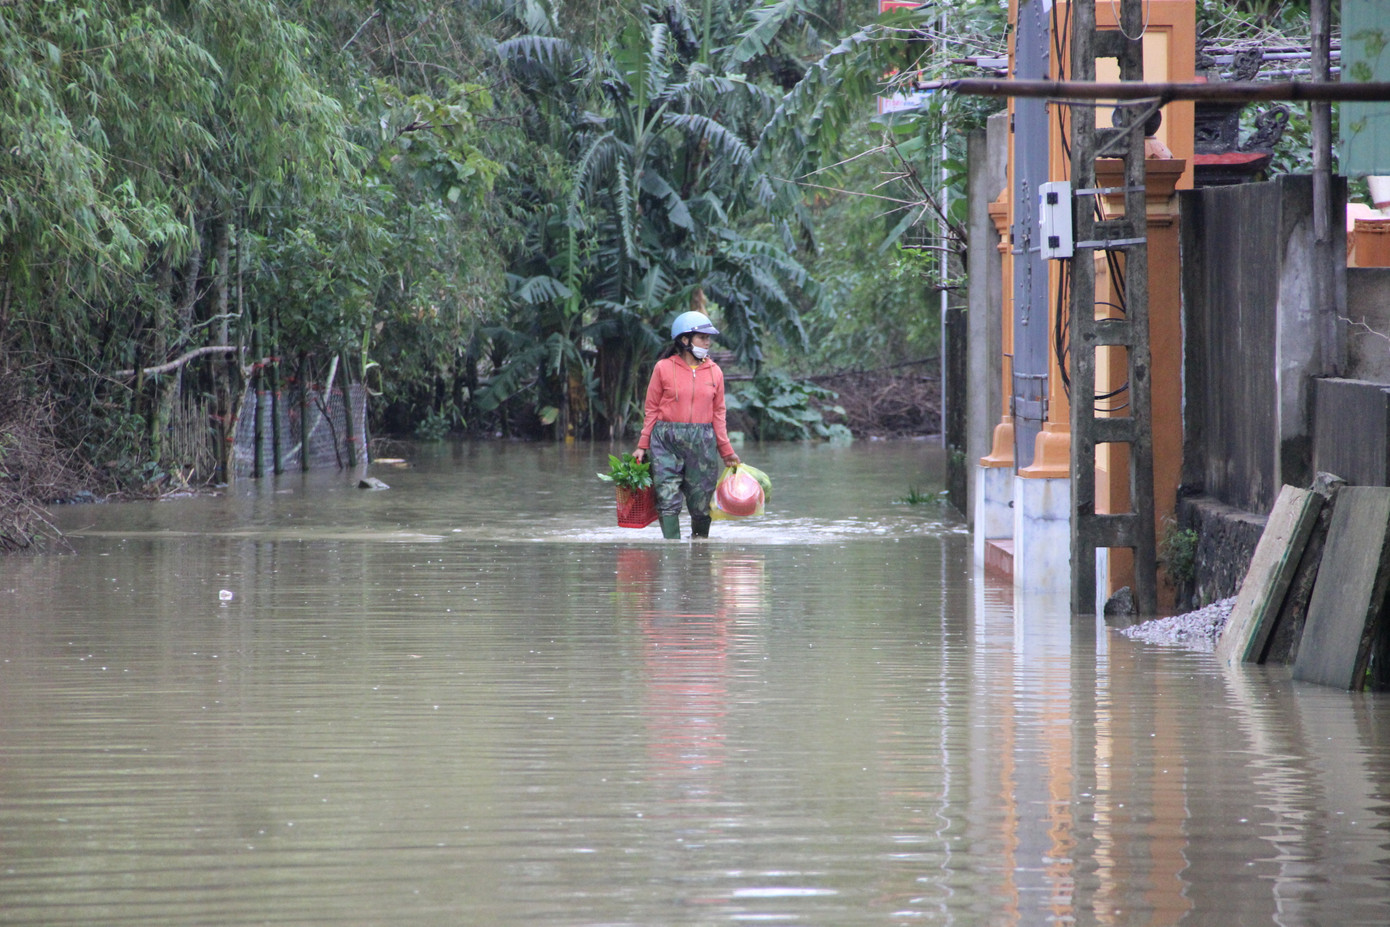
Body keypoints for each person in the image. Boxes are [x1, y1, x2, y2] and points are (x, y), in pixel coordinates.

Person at [634, 297, 740, 539]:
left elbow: (719, 414)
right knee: (667, 498)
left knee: (701, 505)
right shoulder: (662, 368)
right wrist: (642, 445)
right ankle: (671, 553)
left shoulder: (715, 372)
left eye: (708, 338)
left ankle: (699, 552)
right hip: (665, 440)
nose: (708, 342)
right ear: (685, 340)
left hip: (702, 441)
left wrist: (726, 450)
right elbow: (651, 409)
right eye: (703, 337)